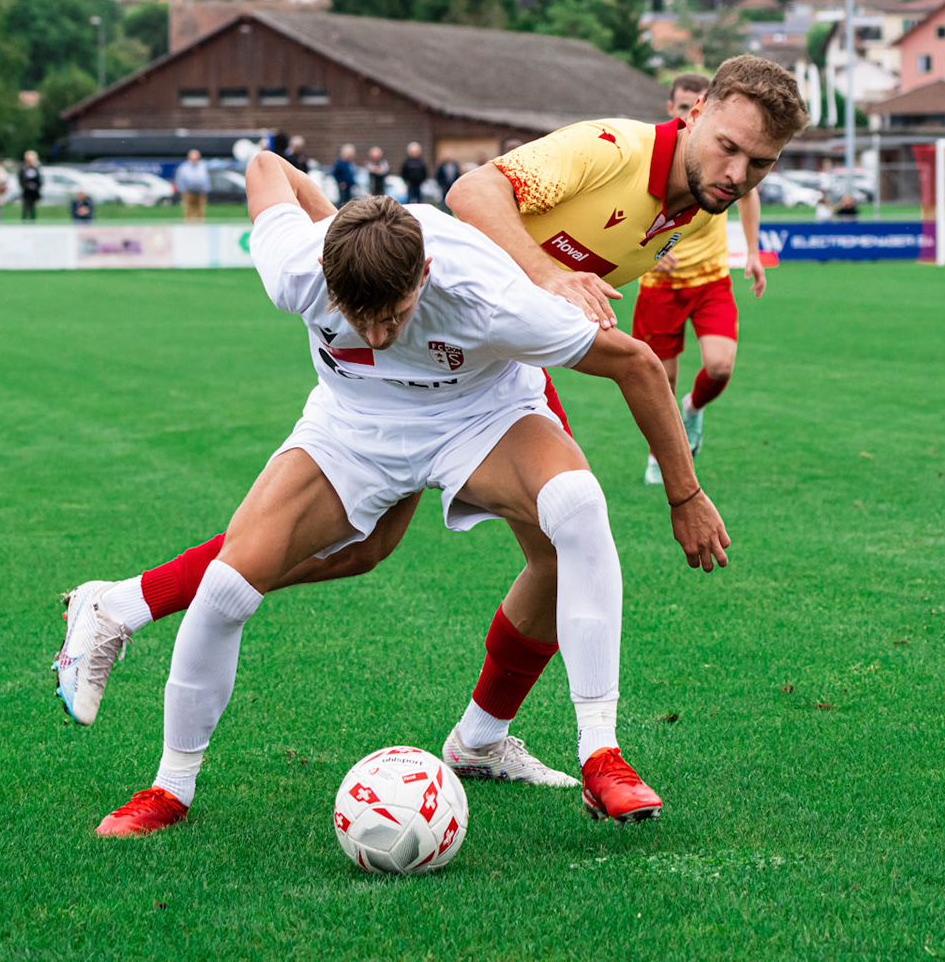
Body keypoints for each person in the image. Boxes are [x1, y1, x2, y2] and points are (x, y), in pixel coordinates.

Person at [53, 54, 808, 794]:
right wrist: (502, 269)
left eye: (759, 164)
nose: (739, 172)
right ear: (695, 111)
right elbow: (474, 188)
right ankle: (123, 606)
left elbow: (631, 362)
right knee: (358, 551)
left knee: (551, 536)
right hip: (443, 354)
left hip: (485, 370)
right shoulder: (611, 152)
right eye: (730, 148)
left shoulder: (689, 204)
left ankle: (494, 742)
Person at [83, 159, 715, 837]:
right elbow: (266, 167)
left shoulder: (489, 293)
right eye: (360, 319)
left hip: (481, 417)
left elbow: (637, 365)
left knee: (578, 506)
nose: (378, 337)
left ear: (424, 275)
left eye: (394, 317)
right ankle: (169, 788)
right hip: (353, 431)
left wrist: (685, 496)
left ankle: (601, 756)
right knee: (229, 586)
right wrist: (327, 218)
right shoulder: (297, 264)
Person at [628, 74, 766, 483]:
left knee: (720, 367)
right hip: (659, 289)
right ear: (675, 109)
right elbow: (627, 212)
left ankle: (693, 408)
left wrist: (754, 252)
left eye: (702, 101)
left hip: (710, 280)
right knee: (660, 382)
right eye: (687, 102)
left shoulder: (724, 159)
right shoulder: (651, 154)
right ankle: (661, 456)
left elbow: (749, 192)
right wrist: (646, 256)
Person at [175, 149, 210, 223]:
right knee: (189, 210)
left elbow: (206, 178)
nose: (194, 159)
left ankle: (199, 225)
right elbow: (180, 179)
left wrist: (206, 188)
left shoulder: (202, 166)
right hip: (188, 192)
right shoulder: (184, 167)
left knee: (200, 210)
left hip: (201, 191)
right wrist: (182, 190)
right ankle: (188, 224)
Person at [18, 151, 44, 221]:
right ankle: (24, 220)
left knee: (33, 207)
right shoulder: (23, 168)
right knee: (25, 206)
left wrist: (37, 187)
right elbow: (20, 178)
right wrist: (24, 185)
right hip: (26, 190)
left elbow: (39, 179)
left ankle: (33, 220)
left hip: (34, 190)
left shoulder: (36, 168)